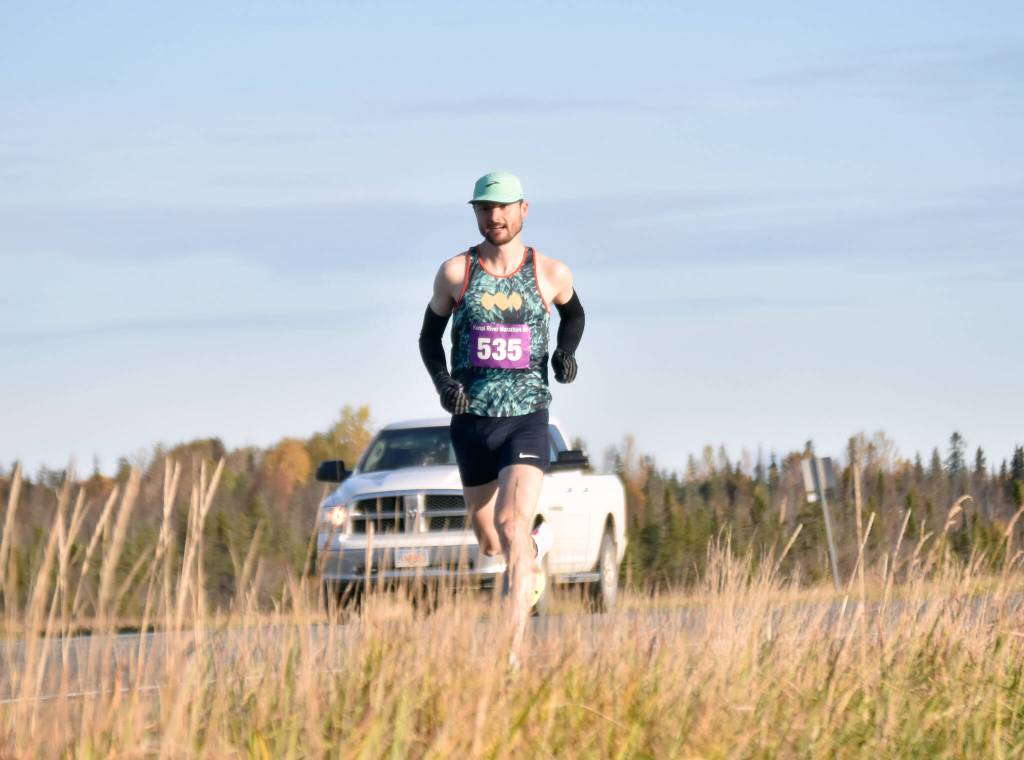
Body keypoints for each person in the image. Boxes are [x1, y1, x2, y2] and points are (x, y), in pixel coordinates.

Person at [418, 171, 586, 663]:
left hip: (526, 417)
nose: (495, 217)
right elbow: (428, 338)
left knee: (512, 523)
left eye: (504, 208)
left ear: (523, 210)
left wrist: (564, 353)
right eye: (485, 209)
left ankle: (509, 652)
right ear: (475, 213)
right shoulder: (456, 274)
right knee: (491, 539)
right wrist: (445, 384)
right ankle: (532, 550)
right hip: (472, 420)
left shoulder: (549, 273)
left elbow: (573, 315)